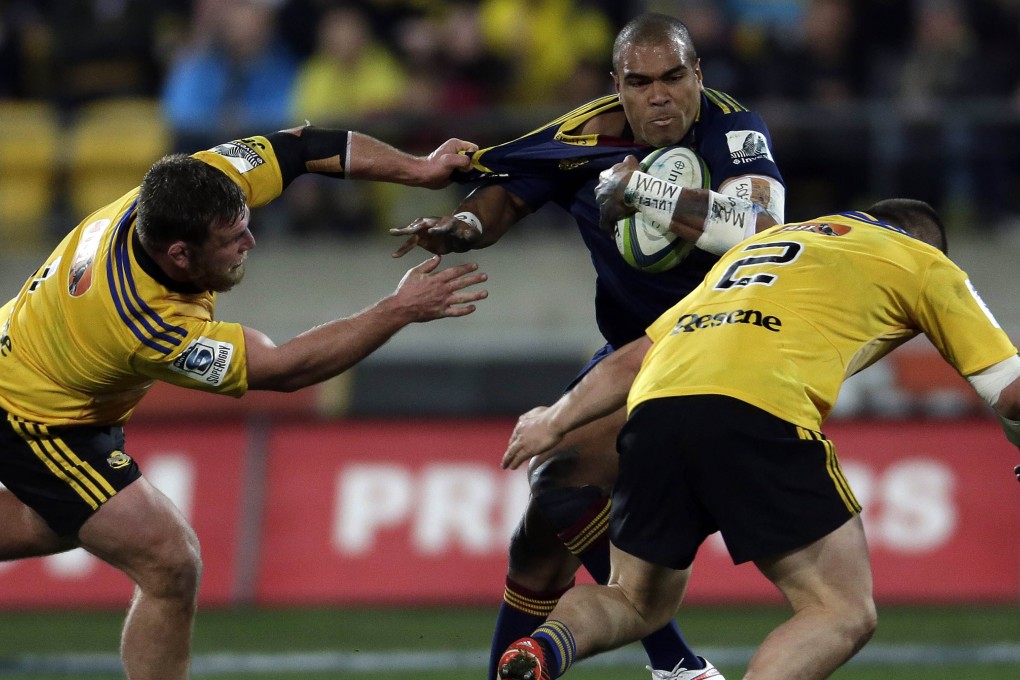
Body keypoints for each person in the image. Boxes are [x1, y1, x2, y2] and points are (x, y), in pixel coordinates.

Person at [0, 125, 487, 680]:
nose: (249, 243)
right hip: (35, 420)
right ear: (179, 254)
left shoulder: (198, 184)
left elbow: (305, 145)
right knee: (169, 562)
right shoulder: (145, 322)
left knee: (62, 521)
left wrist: (419, 168)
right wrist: (397, 310)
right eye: (232, 240)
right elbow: (285, 370)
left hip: (33, 364)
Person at [390, 12, 785, 680]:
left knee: (560, 475)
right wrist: (459, 226)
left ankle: (677, 664)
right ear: (618, 85)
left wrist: (644, 193)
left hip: (725, 352)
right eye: (640, 81)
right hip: (642, 350)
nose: (659, 95)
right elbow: (508, 197)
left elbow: (759, 227)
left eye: (673, 77)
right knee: (539, 541)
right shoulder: (585, 134)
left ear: (699, 76)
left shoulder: (735, 130)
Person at [495, 198, 1020, 680]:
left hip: (655, 412)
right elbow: (1010, 393)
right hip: (759, 408)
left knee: (634, 600)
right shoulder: (922, 261)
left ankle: (540, 650)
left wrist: (557, 418)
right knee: (839, 610)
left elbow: (636, 355)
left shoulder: (755, 252)